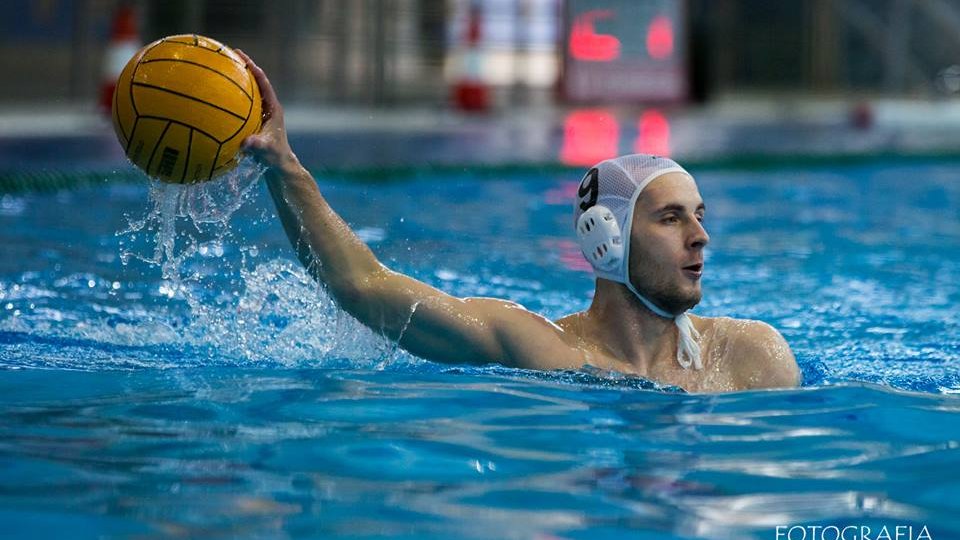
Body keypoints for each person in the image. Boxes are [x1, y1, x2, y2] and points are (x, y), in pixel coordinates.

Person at [235, 50, 801, 393]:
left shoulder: (752, 357)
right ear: (606, 239)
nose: (700, 236)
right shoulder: (536, 348)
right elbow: (363, 287)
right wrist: (284, 166)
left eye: (699, 216)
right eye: (671, 218)